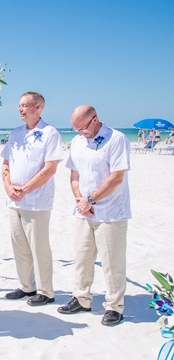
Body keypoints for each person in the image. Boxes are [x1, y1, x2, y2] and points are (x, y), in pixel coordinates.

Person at [57, 105, 131, 327]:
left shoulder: (116, 139)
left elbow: (116, 177)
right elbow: (74, 174)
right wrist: (81, 201)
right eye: (76, 129)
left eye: (83, 128)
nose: (80, 133)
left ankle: (114, 306)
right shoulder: (79, 141)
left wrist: (91, 200)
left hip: (110, 212)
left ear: (95, 120)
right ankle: (81, 298)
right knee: (82, 257)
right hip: (84, 211)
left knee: (112, 262)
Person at [1, 92, 63, 306]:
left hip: (37, 201)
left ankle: (46, 291)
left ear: (38, 107)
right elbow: (6, 162)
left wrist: (25, 188)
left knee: (39, 247)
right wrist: (8, 186)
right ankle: (26, 286)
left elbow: (50, 168)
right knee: (19, 245)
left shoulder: (50, 133)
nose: (20, 109)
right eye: (19, 105)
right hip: (14, 200)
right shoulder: (15, 133)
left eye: (24, 105)